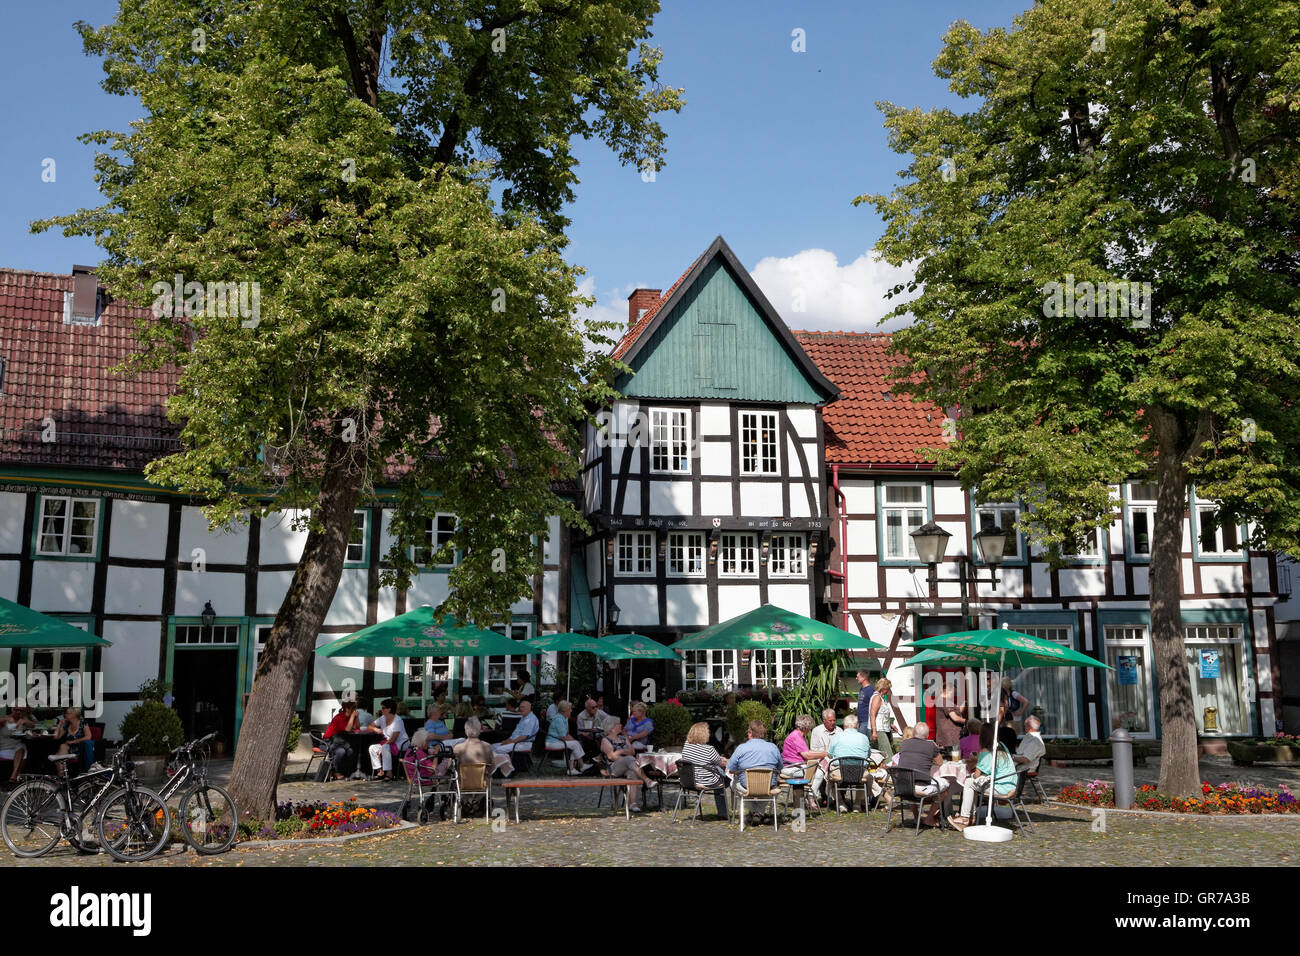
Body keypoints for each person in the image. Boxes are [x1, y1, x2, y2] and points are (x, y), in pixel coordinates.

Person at [948, 723, 1018, 830]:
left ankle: (964, 817)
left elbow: (976, 775)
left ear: (982, 737)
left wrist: (978, 760)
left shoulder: (986, 752)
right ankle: (972, 816)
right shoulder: (1002, 746)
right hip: (1010, 785)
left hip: (1001, 788)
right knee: (973, 784)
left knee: (969, 782)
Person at [890, 721, 956, 827]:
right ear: (927, 735)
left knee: (911, 779)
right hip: (921, 788)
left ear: (914, 733)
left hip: (903, 787)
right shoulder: (930, 745)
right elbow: (940, 762)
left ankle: (917, 818)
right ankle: (930, 818)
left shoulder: (904, 744)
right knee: (946, 784)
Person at [827, 714, 883, 811]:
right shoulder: (864, 738)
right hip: (859, 772)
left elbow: (830, 754)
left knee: (829, 777)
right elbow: (868, 755)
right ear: (857, 725)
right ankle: (857, 804)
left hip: (840, 771)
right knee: (864, 775)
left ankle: (840, 803)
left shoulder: (837, 737)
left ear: (844, 726)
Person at [599, 720, 654, 811]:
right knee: (629, 759)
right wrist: (625, 755)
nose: (621, 725)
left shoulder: (623, 738)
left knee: (632, 773)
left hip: (628, 766)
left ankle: (633, 804)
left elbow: (632, 751)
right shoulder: (605, 740)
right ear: (611, 728)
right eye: (618, 724)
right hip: (613, 769)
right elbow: (611, 756)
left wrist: (620, 753)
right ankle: (646, 780)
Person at [680, 721, 730, 819]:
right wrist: (728, 760)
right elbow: (721, 763)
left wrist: (720, 759)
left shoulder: (686, 746)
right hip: (706, 781)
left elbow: (709, 758)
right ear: (702, 734)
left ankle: (723, 812)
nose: (709, 734)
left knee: (718, 776)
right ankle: (723, 813)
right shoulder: (709, 749)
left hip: (690, 781)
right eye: (708, 732)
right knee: (726, 780)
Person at [726, 720, 782, 796]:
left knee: (732, 782)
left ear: (750, 734)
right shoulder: (773, 748)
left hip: (746, 786)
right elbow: (780, 768)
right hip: (768, 786)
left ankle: (735, 808)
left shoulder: (741, 748)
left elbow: (731, 769)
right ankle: (759, 807)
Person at [491, 699, 538, 778]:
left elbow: (524, 736)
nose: (520, 709)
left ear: (529, 708)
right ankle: (500, 768)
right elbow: (516, 734)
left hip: (523, 743)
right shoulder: (524, 717)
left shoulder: (530, 719)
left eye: (523, 707)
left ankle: (504, 770)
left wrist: (510, 742)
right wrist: (507, 741)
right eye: (520, 707)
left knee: (499, 749)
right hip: (516, 741)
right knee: (492, 746)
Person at [366, 698, 409, 781]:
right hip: (388, 743)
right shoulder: (382, 718)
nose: (381, 709)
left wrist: (382, 747)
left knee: (385, 748)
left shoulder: (397, 720)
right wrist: (375, 729)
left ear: (389, 709)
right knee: (372, 748)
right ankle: (380, 771)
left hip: (401, 742)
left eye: (383, 708)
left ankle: (389, 773)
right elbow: (369, 726)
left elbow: (393, 739)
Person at [546, 700, 592, 774]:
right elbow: (564, 737)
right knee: (575, 744)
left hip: (558, 741)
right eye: (570, 709)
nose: (571, 711)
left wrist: (576, 741)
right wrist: (576, 742)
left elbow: (566, 734)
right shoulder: (558, 719)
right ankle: (580, 766)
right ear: (565, 711)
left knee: (575, 744)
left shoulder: (564, 718)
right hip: (552, 742)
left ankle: (572, 768)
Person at [320, 699, 360, 780]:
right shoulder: (339, 717)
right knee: (340, 752)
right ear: (347, 709)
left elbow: (357, 727)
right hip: (328, 742)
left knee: (352, 750)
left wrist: (356, 717)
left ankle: (347, 771)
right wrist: (352, 716)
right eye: (353, 708)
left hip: (340, 742)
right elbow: (348, 729)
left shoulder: (350, 717)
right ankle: (336, 771)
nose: (354, 710)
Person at [780, 714, 827, 782]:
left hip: (794, 766)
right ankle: (811, 791)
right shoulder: (797, 737)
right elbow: (807, 755)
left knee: (819, 768)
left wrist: (823, 753)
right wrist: (824, 754)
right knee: (820, 772)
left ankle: (810, 790)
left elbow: (807, 751)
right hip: (793, 767)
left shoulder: (797, 735)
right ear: (807, 727)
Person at [868, 677, 907, 760]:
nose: (889, 690)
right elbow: (872, 714)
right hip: (879, 730)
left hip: (882, 729)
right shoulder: (877, 698)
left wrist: (890, 724)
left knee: (881, 756)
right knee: (888, 755)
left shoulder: (881, 698)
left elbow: (881, 715)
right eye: (888, 688)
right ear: (884, 688)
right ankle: (890, 771)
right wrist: (874, 731)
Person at [808, 709, 840, 805]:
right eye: (830, 721)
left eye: (834, 720)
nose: (833, 723)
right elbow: (813, 749)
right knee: (820, 771)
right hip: (820, 759)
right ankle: (817, 796)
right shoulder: (817, 731)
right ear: (824, 720)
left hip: (836, 760)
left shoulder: (839, 731)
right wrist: (825, 754)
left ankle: (839, 798)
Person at [53, 707, 94, 772]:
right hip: (69, 748)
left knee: (63, 747)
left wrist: (74, 741)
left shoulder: (83, 723)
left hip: (81, 748)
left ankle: (62, 777)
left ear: (74, 715)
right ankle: (62, 777)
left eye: (67, 713)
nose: (65, 715)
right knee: (62, 748)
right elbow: (56, 737)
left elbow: (88, 737)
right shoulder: (67, 724)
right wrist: (59, 725)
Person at [0, 707, 35, 783]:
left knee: (22, 748)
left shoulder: (22, 719)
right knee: (23, 749)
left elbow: (33, 725)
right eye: (16, 710)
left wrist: (25, 719)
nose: (18, 712)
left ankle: (14, 776)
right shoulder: (4, 719)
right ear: (12, 709)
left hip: (16, 747)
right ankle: (16, 776)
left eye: (21, 710)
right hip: (5, 748)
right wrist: (6, 719)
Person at [934, 681, 966, 755]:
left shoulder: (946, 701)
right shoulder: (944, 701)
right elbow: (955, 718)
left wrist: (964, 702)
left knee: (953, 758)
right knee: (954, 758)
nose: (954, 695)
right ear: (949, 691)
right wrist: (967, 721)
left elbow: (959, 711)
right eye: (954, 693)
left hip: (950, 736)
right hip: (950, 737)